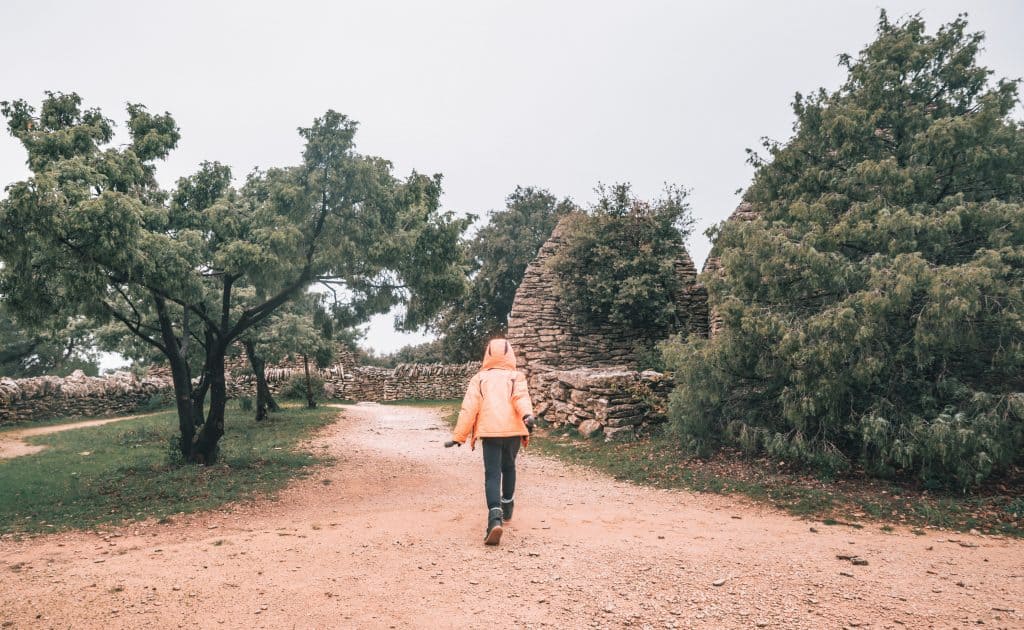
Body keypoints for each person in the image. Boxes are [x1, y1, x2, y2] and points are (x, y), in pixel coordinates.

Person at [445, 338, 535, 545]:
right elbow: (520, 398)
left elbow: (469, 408)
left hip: (490, 432)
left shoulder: (479, 378)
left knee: (493, 474)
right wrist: (527, 415)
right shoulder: (516, 376)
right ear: (509, 354)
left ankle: (495, 518)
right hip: (513, 430)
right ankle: (508, 505)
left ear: (487, 355)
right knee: (509, 467)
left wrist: (459, 436)